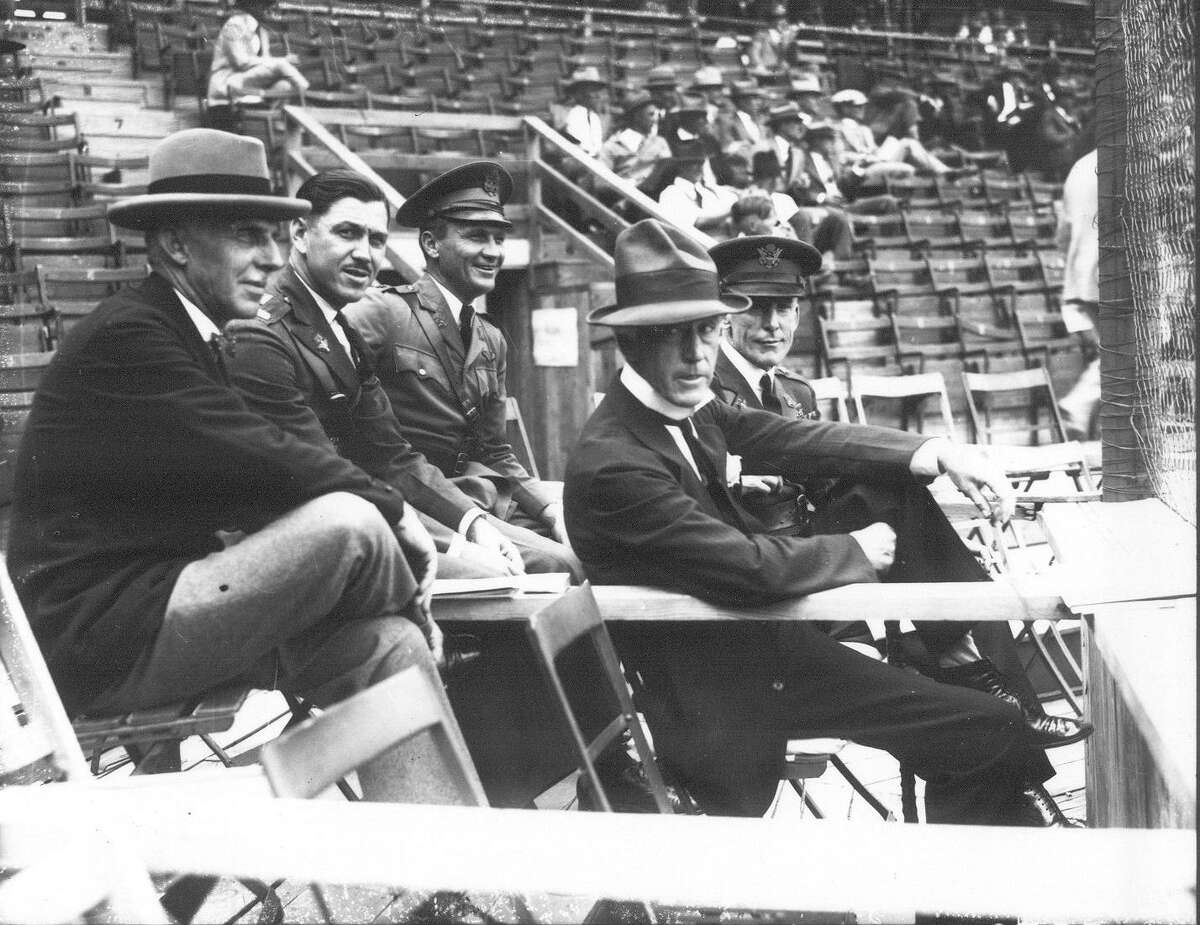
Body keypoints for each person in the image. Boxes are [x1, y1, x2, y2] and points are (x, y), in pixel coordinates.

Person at [564, 218, 1084, 825]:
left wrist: (937, 451)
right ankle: (1001, 797)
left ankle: (988, 724)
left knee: (984, 726)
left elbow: (791, 437)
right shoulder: (616, 463)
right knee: (986, 730)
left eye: (705, 330)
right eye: (672, 335)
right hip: (725, 689)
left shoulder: (684, 407)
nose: (697, 354)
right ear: (629, 341)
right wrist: (858, 549)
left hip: (769, 644)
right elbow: (747, 567)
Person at [8, 130, 455, 800]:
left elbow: (254, 484)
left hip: (168, 606)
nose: (272, 258)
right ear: (176, 245)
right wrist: (398, 514)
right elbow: (263, 460)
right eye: (248, 235)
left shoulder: (192, 332)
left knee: (390, 644)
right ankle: (417, 617)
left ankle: (437, 857)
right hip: (99, 637)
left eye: (276, 237)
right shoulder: (130, 334)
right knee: (351, 522)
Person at [707, 234, 1091, 758]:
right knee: (937, 591)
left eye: (786, 308)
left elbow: (826, 467)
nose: (773, 324)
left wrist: (935, 458)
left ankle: (1002, 719)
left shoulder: (794, 391)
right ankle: (993, 697)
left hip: (825, 569)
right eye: (757, 308)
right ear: (727, 312)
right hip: (767, 586)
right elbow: (798, 458)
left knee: (963, 615)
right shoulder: (704, 388)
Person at [225, 168, 524, 581]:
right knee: (500, 578)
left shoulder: (338, 326)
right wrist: (453, 545)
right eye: (347, 233)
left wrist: (473, 526)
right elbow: (323, 474)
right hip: (291, 542)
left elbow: (390, 453)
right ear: (300, 234)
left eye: (377, 240)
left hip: (352, 520)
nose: (365, 254)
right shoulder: (262, 332)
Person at [344, 162, 581, 578]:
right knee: (558, 564)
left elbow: (494, 450)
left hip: (477, 496)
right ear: (431, 244)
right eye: (476, 236)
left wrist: (549, 508)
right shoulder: (382, 313)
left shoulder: (490, 338)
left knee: (588, 540)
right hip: (413, 501)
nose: (493, 251)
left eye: (499, 238)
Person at [1055, 148, 1100, 439]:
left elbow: (1063, 231)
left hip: (1080, 274)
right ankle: (1077, 404)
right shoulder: (1133, 159)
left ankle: (1080, 409)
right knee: (1131, 352)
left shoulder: (1080, 166)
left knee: (1115, 353)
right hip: (1115, 273)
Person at [206, 0, 309, 108]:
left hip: (250, 82)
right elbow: (240, 62)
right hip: (228, 82)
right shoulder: (234, 25)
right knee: (281, 65)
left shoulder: (261, 30)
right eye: (265, 5)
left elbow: (265, 62)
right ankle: (307, 93)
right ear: (253, 5)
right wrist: (281, 61)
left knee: (284, 85)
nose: (270, 10)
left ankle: (268, 114)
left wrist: (277, 64)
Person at [598, 91, 672, 192]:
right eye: (651, 114)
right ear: (637, 117)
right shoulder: (612, 146)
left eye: (657, 114)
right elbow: (601, 184)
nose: (655, 119)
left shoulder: (660, 142)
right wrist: (631, 184)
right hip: (627, 195)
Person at [560, 66, 609, 159]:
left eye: (598, 90)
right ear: (579, 93)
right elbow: (581, 151)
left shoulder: (594, 117)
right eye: (592, 90)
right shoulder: (573, 115)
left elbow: (597, 148)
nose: (598, 96)